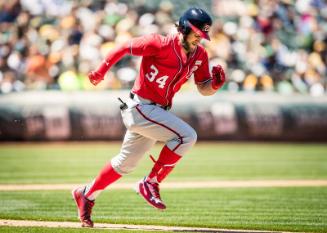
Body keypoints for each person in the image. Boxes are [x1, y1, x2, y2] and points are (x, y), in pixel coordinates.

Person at [72, 7, 226, 228]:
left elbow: (204, 88)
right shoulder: (159, 43)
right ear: (183, 28)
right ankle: (151, 182)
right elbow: (125, 47)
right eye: (196, 34)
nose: (199, 40)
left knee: (124, 164)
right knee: (186, 136)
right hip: (140, 107)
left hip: (156, 112)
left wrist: (215, 85)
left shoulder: (200, 54)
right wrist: (100, 71)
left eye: (202, 36)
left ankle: (86, 194)